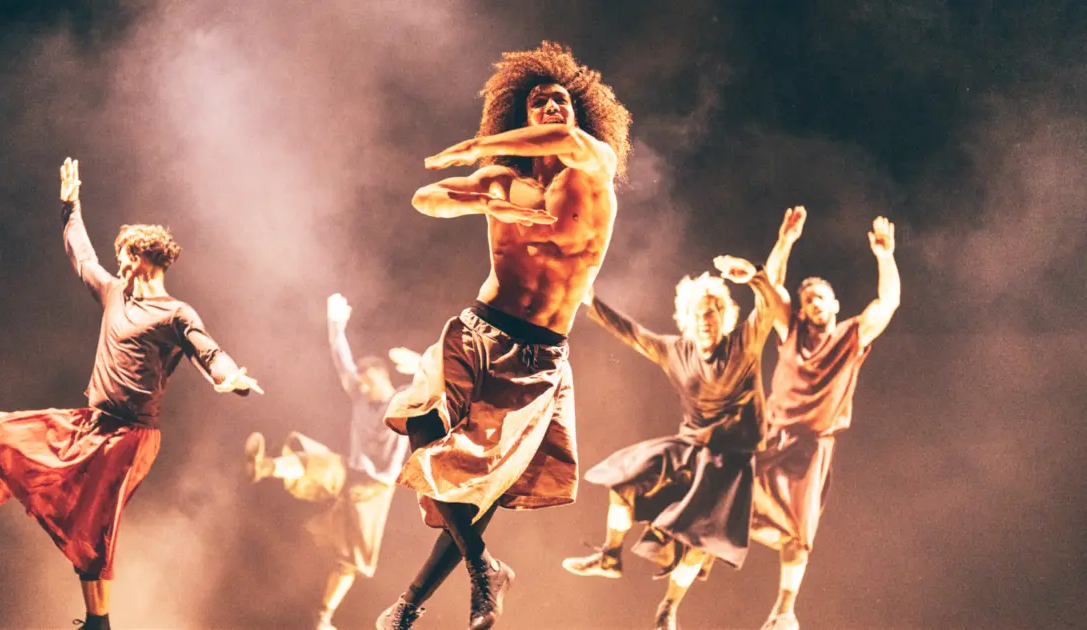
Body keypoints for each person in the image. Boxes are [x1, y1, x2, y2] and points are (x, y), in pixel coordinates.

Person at [0, 158, 262, 630]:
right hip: (92, 423)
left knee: (92, 522)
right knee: (6, 437)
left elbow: (208, 352)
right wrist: (70, 206)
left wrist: (231, 377)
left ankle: (99, 623)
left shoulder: (175, 313)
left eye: (125, 256)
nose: (119, 264)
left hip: (130, 438)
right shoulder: (115, 293)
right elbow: (83, 258)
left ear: (144, 257)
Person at [376, 41, 631, 630]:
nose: (551, 107)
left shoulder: (592, 166)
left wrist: (475, 145)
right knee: (419, 419)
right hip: (476, 330)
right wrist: (486, 204)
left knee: (482, 482)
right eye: (538, 100)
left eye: (561, 100)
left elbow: (564, 141)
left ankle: (414, 604)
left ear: (579, 114)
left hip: (537, 356)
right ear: (521, 115)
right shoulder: (502, 180)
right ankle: (483, 567)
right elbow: (427, 198)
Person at [561, 255, 788, 630]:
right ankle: (610, 555)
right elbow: (633, 334)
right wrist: (592, 302)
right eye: (698, 314)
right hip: (690, 449)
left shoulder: (743, 346)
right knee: (625, 478)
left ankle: (668, 608)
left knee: (700, 540)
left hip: (731, 462)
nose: (704, 320)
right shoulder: (676, 351)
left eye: (711, 312)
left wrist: (756, 277)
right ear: (686, 318)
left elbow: (767, 309)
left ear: (723, 316)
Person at [751, 211, 901, 630]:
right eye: (808, 301)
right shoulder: (792, 331)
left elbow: (887, 303)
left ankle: (784, 611)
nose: (814, 304)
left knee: (800, 530)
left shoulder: (852, 336)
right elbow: (770, 288)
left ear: (835, 305)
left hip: (812, 445)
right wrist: (784, 242)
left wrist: (885, 257)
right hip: (774, 438)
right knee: (728, 492)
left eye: (821, 298)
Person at [245, 293, 415, 630]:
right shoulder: (359, 394)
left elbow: (439, 382)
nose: (362, 388)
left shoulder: (403, 400)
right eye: (360, 383)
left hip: (376, 489)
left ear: (382, 378)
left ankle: (323, 617)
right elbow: (341, 359)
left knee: (351, 560)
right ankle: (266, 466)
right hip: (350, 471)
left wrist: (420, 363)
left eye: (367, 383)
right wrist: (335, 323)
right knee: (313, 461)